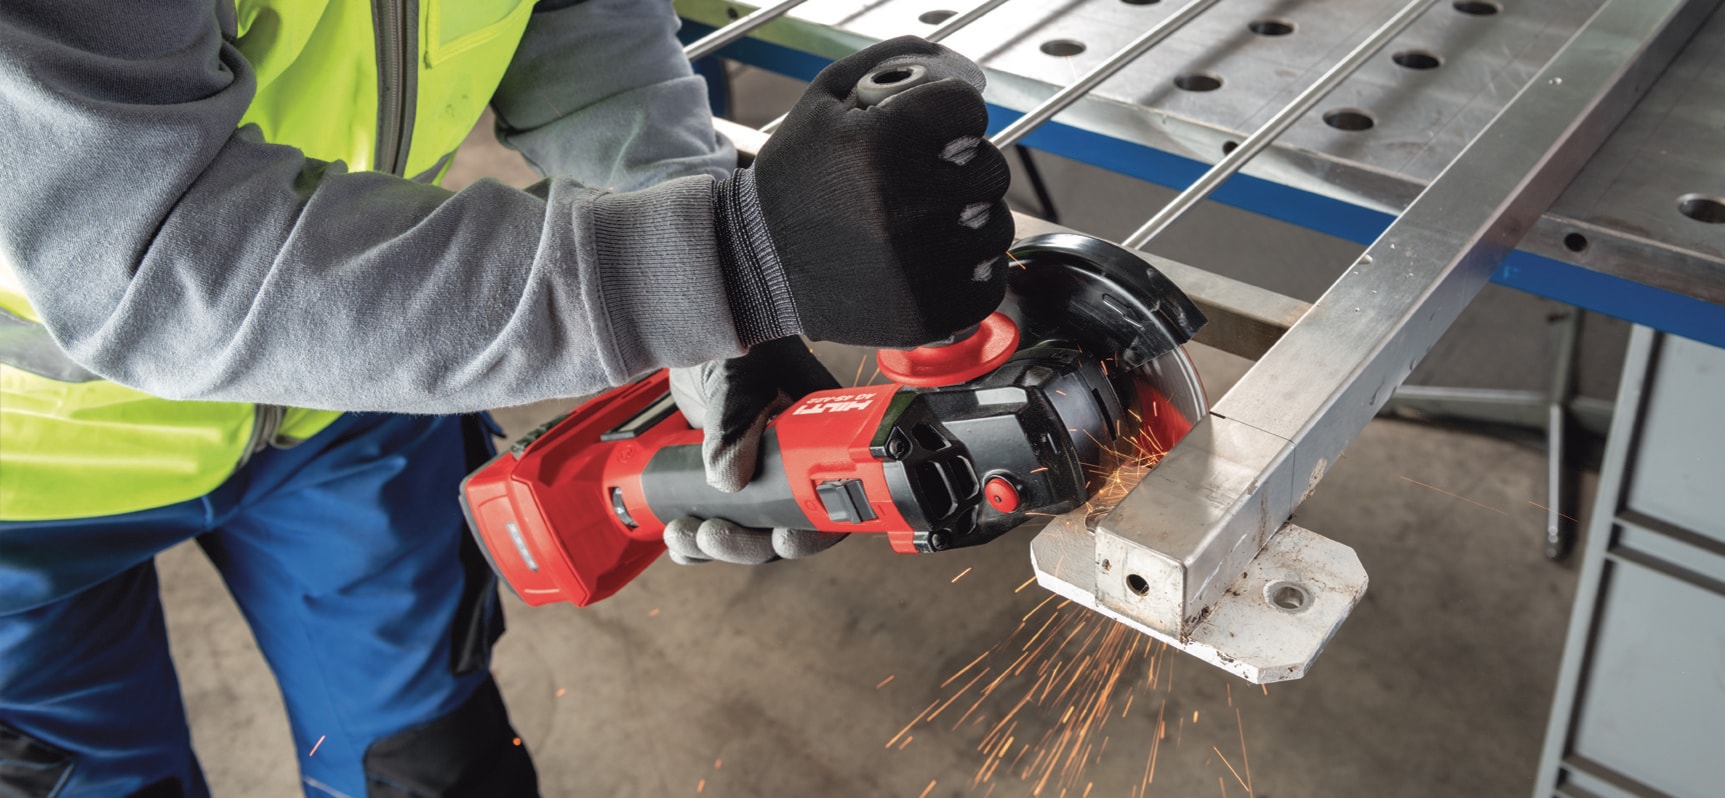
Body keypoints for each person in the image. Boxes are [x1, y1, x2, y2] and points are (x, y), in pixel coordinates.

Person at [0, 0, 1012, 794]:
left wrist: (697, 265)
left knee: (431, 768)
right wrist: (718, 260)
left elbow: (574, 17)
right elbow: (157, 250)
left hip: (358, 394)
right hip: (32, 470)